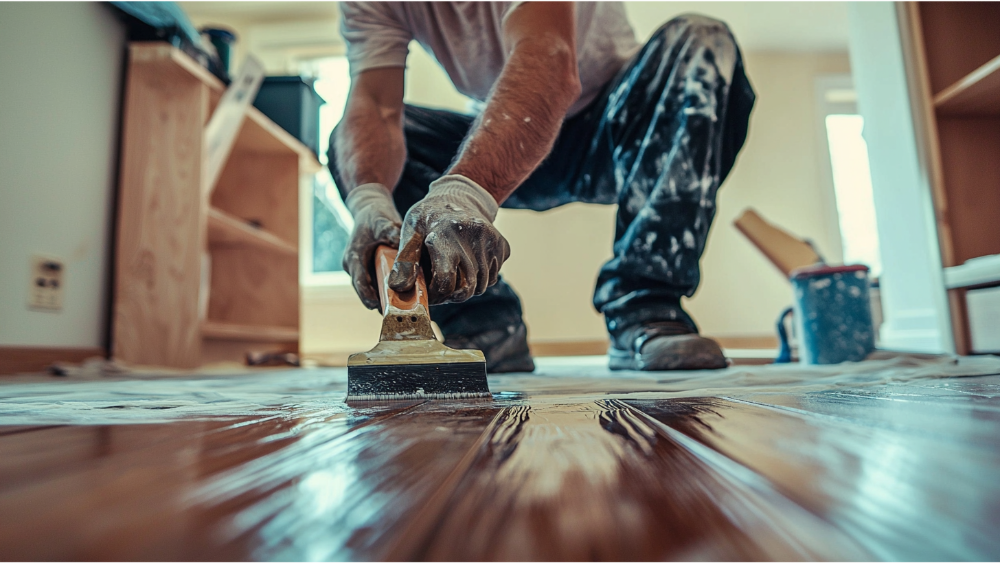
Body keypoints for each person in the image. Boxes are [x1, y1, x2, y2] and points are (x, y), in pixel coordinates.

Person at [328, 0, 755, 373]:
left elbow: (548, 56)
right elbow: (376, 106)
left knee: (702, 42)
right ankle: (486, 328)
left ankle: (646, 310)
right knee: (356, 148)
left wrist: (461, 194)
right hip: (512, 142)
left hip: (619, 132)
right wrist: (368, 200)